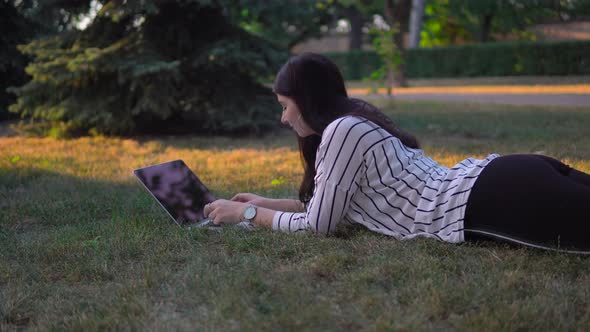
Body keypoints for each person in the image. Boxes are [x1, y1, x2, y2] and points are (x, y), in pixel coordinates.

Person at [203, 52, 590, 254]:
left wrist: (249, 214)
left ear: (307, 102)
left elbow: (319, 227)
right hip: (504, 177)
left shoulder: (341, 130)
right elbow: (330, 207)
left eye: (285, 105)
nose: (283, 117)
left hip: (494, 199)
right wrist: (267, 201)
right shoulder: (353, 122)